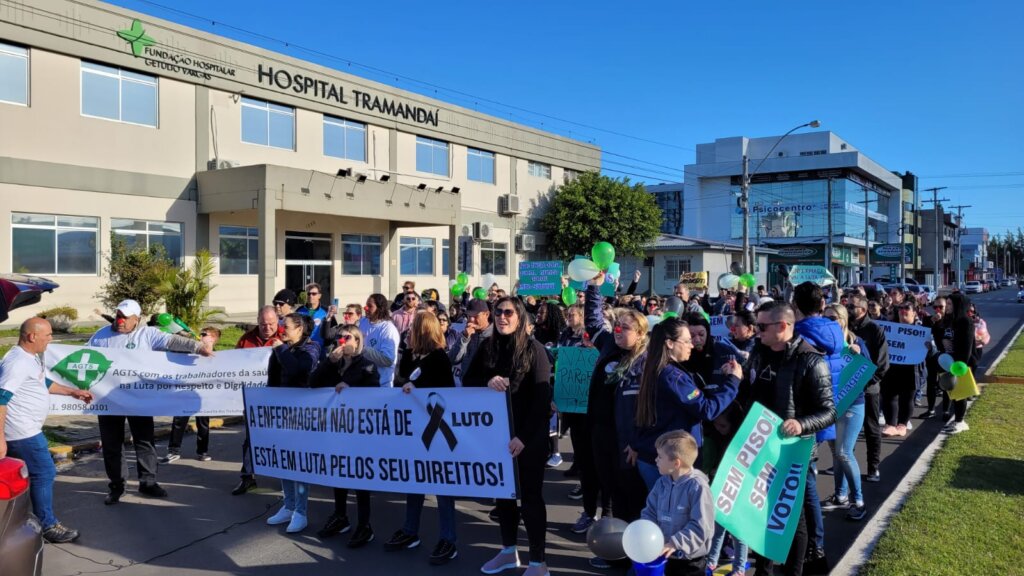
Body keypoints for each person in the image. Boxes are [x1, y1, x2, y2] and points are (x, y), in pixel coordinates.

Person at [741, 302, 835, 576]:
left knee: (794, 517)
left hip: (794, 451)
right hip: (760, 445)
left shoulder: (810, 360)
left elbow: (829, 411)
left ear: (783, 326)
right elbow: (750, 390)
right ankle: (764, 569)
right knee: (760, 511)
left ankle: (795, 570)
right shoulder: (758, 352)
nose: (757, 332)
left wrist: (800, 423)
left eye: (762, 327)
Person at [89, 300, 213, 505]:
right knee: (112, 444)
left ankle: (148, 482)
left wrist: (199, 348)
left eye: (125, 317)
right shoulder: (101, 336)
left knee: (144, 440)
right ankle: (117, 486)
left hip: (139, 399)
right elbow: (81, 357)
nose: (120, 320)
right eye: (118, 315)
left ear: (136, 320)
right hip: (109, 399)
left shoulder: (147, 334)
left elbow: (173, 341)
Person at [465, 297, 553, 576]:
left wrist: (523, 438)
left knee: (530, 499)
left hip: (528, 439)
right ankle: (507, 551)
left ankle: (538, 562)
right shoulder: (487, 346)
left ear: (520, 317)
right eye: (498, 312)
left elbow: (542, 400)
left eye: (508, 312)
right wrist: (487, 381)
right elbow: (467, 381)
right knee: (503, 497)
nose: (502, 317)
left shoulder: (535, 350)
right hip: (496, 437)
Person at [0, 318, 93, 543]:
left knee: (21, 477)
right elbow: (1, 398)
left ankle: (17, 522)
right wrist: (0, 438)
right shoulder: (17, 363)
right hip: (22, 432)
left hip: (26, 429)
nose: (51, 339)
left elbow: (43, 382)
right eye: (48, 335)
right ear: (32, 336)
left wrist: (72, 392)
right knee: (44, 472)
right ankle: (48, 525)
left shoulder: (28, 358)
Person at [385, 313, 459, 565]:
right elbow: (400, 379)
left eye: (413, 328)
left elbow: (445, 392)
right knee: (413, 480)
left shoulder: (439, 358)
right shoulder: (409, 354)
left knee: (442, 486)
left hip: (434, 431)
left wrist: (419, 389)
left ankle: (448, 539)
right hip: (412, 430)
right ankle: (410, 530)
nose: (407, 332)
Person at [633, 318, 740, 489]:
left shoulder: (655, 369)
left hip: (656, 455)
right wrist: (733, 381)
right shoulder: (673, 377)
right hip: (670, 461)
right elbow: (706, 409)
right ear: (669, 343)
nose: (692, 345)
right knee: (673, 514)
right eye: (687, 340)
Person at [310, 325, 379, 548]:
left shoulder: (367, 365)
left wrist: (350, 388)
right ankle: (340, 516)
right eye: (339, 336)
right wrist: (329, 362)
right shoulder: (334, 363)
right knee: (338, 473)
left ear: (357, 342)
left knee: (359, 479)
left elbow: (375, 393)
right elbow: (313, 383)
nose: (342, 340)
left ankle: (365, 525)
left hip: (358, 431)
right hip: (335, 428)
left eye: (347, 337)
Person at [265, 313, 320, 534]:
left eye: (285, 326)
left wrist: (280, 350)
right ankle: (288, 505)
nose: (281, 329)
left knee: (298, 464)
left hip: (302, 414)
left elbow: (298, 369)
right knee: (283, 461)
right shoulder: (281, 349)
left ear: (299, 329)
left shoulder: (311, 348)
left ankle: (301, 511)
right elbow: (273, 379)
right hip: (281, 413)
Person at [819, 304, 870, 522]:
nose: (831, 321)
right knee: (835, 452)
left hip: (852, 403)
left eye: (835, 318)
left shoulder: (855, 342)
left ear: (844, 319)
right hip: (830, 404)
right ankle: (840, 495)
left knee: (844, 452)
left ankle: (858, 501)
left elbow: (869, 372)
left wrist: (857, 357)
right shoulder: (820, 343)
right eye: (826, 317)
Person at [640, 431, 714, 576]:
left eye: (660, 456)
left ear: (676, 463)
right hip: (663, 556)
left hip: (689, 562)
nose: (656, 460)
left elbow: (701, 527)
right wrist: (647, 532)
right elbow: (650, 512)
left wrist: (675, 543)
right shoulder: (661, 483)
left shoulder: (698, 487)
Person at [233, 306, 282, 495]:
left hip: (279, 399)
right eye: (263, 324)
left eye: (271, 324)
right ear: (257, 322)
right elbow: (233, 365)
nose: (267, 328)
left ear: (277, 322)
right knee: (250, 439)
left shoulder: (285, 336)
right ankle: (247, 477)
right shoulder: (246, 340)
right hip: (254, 400)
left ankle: (288, 479)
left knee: (282, 439)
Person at [847, 293, 889, 483]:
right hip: (847, 388)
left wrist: (865, 381)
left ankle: (873, 467)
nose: (848, 309)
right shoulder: (845, 328)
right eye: (847, 305)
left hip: (869, 388)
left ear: (862, 310)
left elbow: (882, 363)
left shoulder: (875, 330)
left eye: (852, 306)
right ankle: (846, 463)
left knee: (871, 428)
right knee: (847, 429)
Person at [164, 326, 221, 463]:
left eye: (205, 334)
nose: (201, 336)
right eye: (201, 334)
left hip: (202, 394)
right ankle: (174, 450)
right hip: (185, 391)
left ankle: (202, 451)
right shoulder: (191, 348)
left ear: (214, 338)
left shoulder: (217, 355)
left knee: (203, 423)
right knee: (179, 420)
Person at [881, 303, 925, 438]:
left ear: (914, 313)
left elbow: (931, 350)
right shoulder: (890, 328)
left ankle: (902, 424)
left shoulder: (920, 331)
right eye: (900, 309)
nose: (902, 311)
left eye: (907, 308)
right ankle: (890, 424)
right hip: (891, 367)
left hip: (912, 369)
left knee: (907, 397)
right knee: (889, 395)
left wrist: (929, 346)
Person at [938, 293, 975, 434]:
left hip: (960, 364)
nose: (946, 307)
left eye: (950, 304)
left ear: (958, 306)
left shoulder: (966, 321)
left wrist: (960, 366)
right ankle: (957, 420)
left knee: (961, 393)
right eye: (946, 304)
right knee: (952, 392)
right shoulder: (949, 320)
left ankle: (960, 421)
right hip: (948, 361)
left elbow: (967, 347)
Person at [359, 294, 401, 387]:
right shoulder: (363, 322)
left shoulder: (388, 329)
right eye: (366, 305)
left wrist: (362, 349)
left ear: (380, 308)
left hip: (381, 384)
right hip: (363, 381)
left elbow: (388, 360)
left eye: (370, 306)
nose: (366, 308)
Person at [448, 299, 492, 380]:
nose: (471, 320)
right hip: (466, 387)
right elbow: (453, 359)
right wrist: (464, 338)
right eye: (469, 316)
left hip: (487, 389)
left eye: (476, 316)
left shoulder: (495, 335)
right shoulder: (467, 333)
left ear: (487, 314)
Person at [920, 298, 946, 419]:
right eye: (935, 307)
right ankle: (931, 410)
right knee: (931, 383)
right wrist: (932, 321)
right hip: (932, 356)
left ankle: (945, 411)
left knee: (946, 383)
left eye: (941, 307)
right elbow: (922, 330)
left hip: (945, 356)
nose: (938, 310)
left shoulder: (949, 321)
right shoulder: (928, 319)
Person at [297, 282, 335, 354]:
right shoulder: (299, 311)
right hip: (302, 349)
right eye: (308, 294)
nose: (311, 296)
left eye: (314, 294)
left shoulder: (326, 311)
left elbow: (333, 330)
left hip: (321, 351)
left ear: (319, 296)